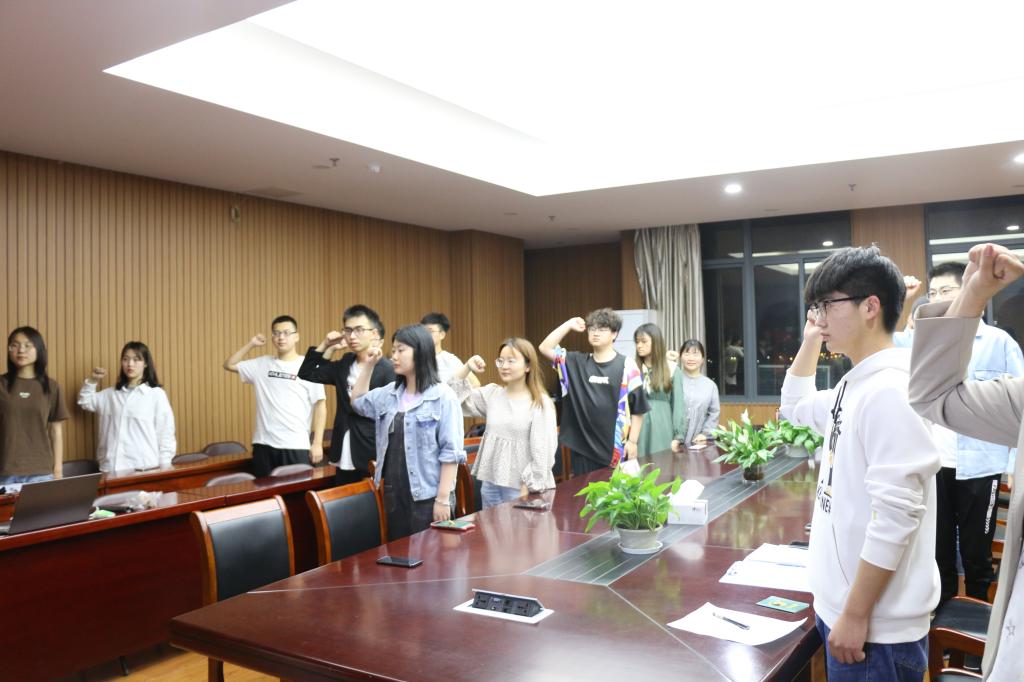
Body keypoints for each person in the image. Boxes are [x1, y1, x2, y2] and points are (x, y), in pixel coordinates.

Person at [779, 245, 940, 681]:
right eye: (814, 308)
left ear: (871, 307)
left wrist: (854, 614)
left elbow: (896, 517)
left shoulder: (890, 391)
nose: (818, 318)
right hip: (846, 612)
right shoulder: (854, 385)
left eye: (826, 305)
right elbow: (793, 409)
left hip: (874, 629)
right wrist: (812, 339)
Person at [908, 243, 1024, 681]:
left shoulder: (999, 343)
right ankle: (942, 633)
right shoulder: (927, 338)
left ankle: (977, 639)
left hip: (982, 467)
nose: (939, 297)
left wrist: (1012, 464)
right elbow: (912, 375)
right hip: (937, 465)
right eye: (934, 292)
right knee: (938, 555)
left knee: (976, 558)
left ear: (968, 289)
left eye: (947, 291)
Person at [351, 324, 465, 541]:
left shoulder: (443, 397)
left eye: (401, 350)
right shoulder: (390, 394)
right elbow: (357, 402)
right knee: (399, 555)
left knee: (431, 558)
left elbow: (451, 453)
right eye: (393, 350)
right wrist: (369, 365)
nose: (394, 356)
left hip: (428, 497)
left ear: (420, 352)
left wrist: (443, 499)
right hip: (393, 494)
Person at [539, 308, 649, 475]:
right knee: (584, 491)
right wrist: (568, 324)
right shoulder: (576, 362)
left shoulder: (628, 366)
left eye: (602, 329)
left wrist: (632, 442)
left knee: (615, 491)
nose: (595, 333)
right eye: (592, 328)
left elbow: (638, 409)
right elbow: (544, 347)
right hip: (582, 448)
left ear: (614, 334)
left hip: (615, 448)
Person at [450, 337, 557, 507]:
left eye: (511, 361)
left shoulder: (540, 402)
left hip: (521, 486)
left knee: (520, 525)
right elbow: (450, 399)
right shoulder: (492, 394)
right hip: (490, 484)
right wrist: (467, 367)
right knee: (490, 525)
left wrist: (530, 485)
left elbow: (544, 450)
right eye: (501, 361)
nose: (504, 366)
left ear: (528, 366)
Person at [299, 305, 396, 485]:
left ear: (374, 334)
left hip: (372, 449)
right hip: (342, 446)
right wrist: (326, 345)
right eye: (348, 330)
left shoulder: (388, 370)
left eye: (359, 330)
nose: (352, 336)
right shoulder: (344, 364)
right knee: (344, 494)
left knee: (372, 499)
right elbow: (307, 373)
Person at [224, 315, 327, 478]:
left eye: (286, 333)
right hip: (263, 445)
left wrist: (317, 443)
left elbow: (320, 405)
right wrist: (251, 344)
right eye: (276, 333)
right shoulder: (261, 364)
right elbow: (229, 364)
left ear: (296, 336)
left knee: (297, 492)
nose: (281, 337)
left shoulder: (309, 366)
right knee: (266, 494)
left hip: (296, 444)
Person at [77, 341, 176, 473]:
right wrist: (93, 380)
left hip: (144, 468)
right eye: (125, 359)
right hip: (111, 468)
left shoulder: (156, 395)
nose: (130, 364)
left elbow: (165, 434)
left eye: (136, 359)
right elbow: (85, 401)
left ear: (146, 363)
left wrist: (165, 466)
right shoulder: (110, 394)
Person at [0, 327, 69, 484]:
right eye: (15, 345)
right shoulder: (1, 384)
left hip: (41, 471)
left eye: (27, 345)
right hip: (5, 471)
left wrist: (58, 469)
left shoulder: (51, 387)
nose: (21, 350)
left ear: (39, 349)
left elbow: (56, 431)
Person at [633, 323, 686, 456]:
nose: (639, 345)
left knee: (662, 464)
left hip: (662, 426)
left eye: (644, 341)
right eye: (637, 342)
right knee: (638, 465)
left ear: (656, 342)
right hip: (637, 428)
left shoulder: (672, 369)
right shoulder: (632, 368)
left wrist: (678, 435)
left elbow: (678, 405)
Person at [676, 340, 720, 448]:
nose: (691, 358)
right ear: (681, 357)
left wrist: (705, 434)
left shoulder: (710, 386)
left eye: (695, 354)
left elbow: (714, 413)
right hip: (672, 441)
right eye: (687, 354)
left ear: (702, 359)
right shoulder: (673, 380)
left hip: (698, 442)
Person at [421, 312, 468, 383]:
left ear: (442, 335)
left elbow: (475, 383)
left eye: (430, 331)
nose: (425, 334)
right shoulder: (415, 358)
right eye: (423, 331)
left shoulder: (449, 359)